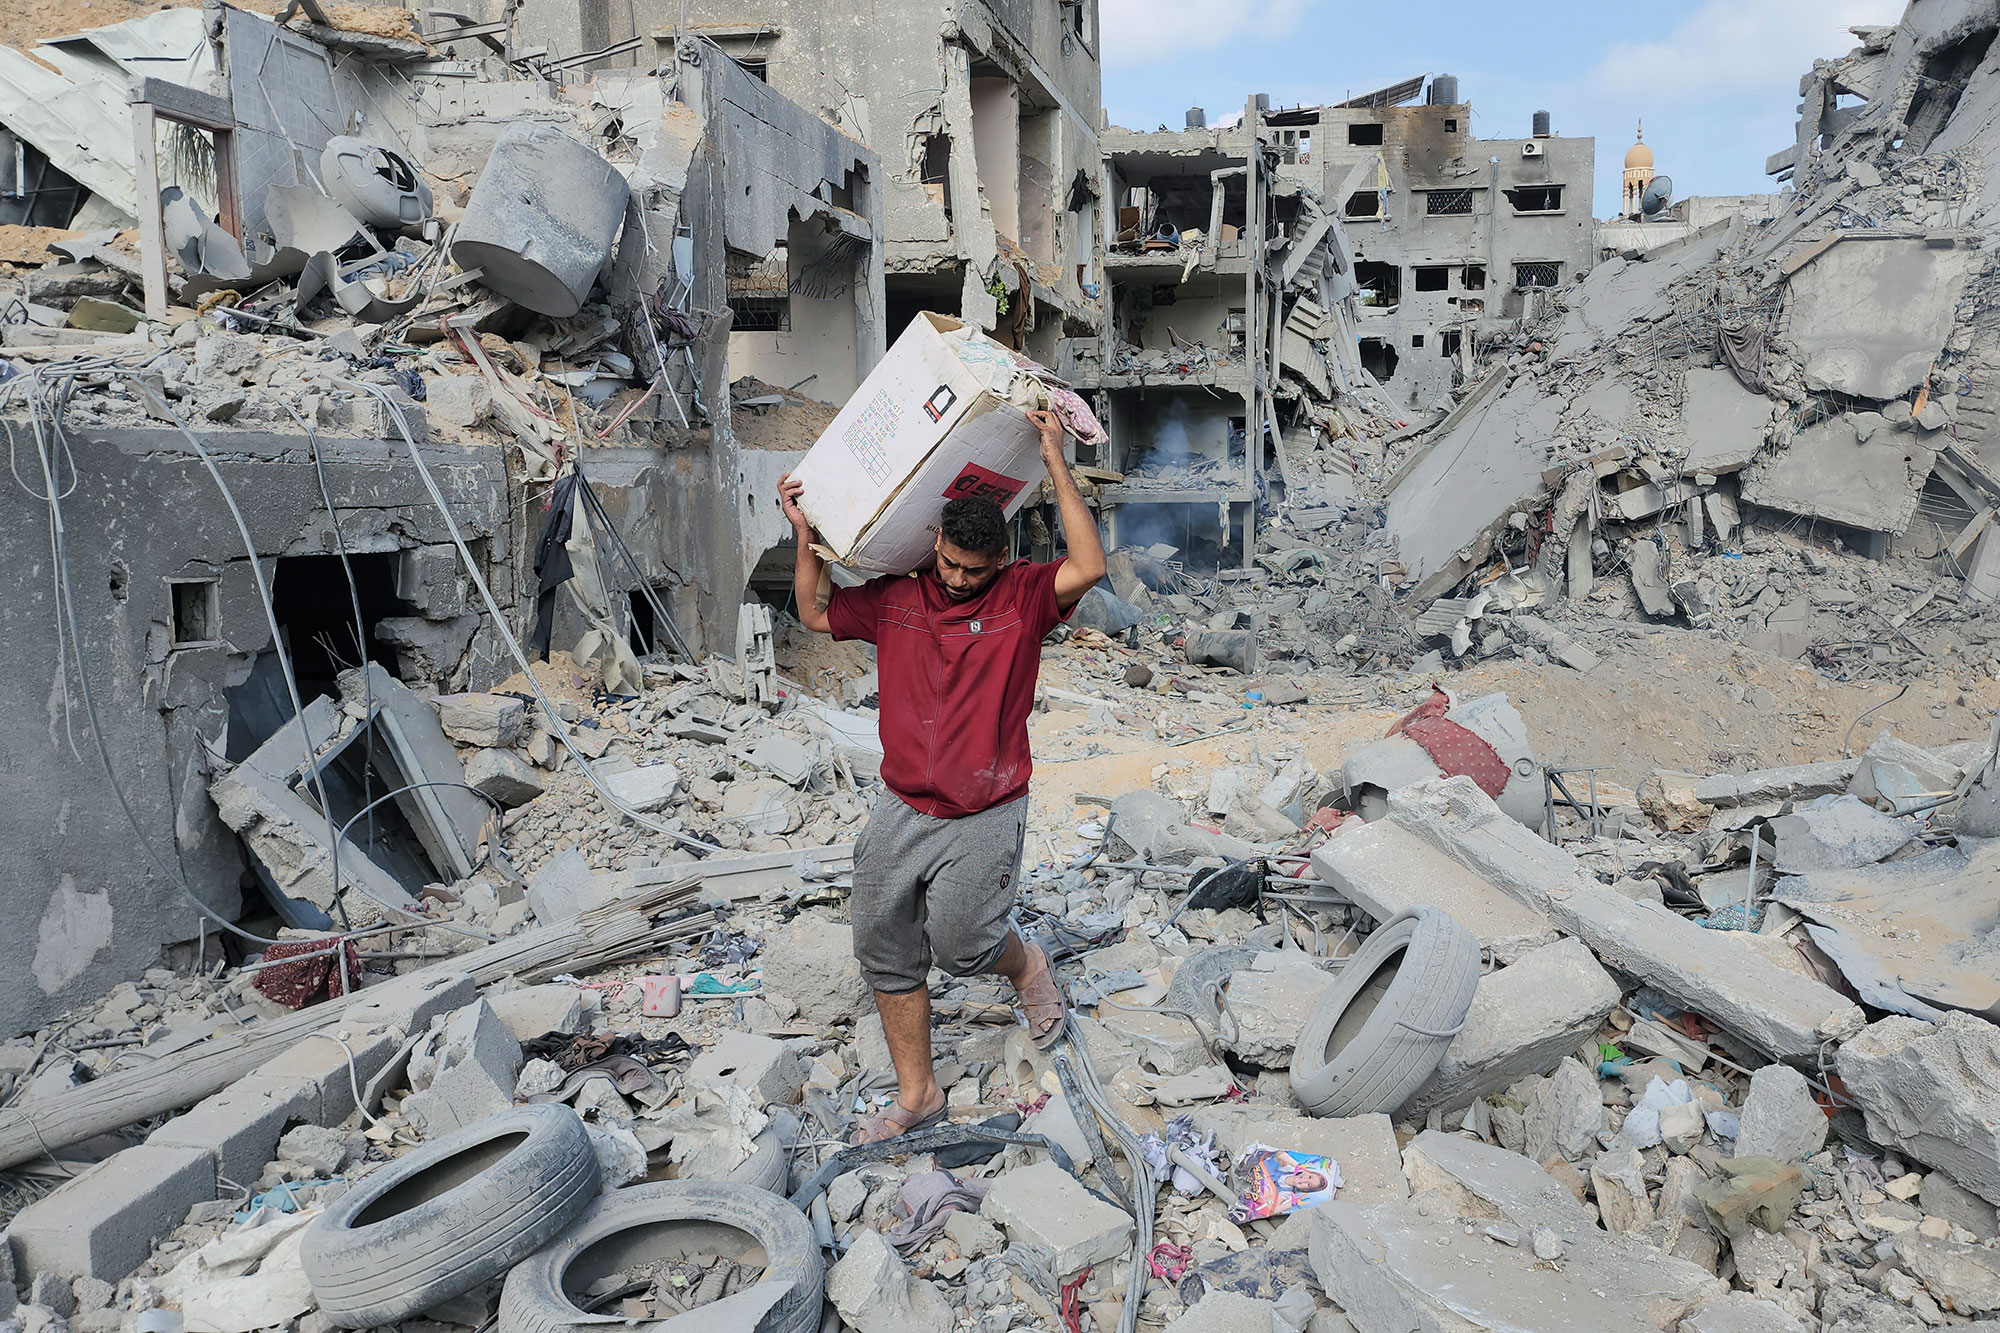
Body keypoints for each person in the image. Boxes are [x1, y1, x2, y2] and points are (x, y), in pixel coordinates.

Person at [777, 408, 1106, 1144]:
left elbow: (1089, 566)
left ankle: (1026, 965)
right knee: (881, 941)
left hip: (986, 806)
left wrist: (1055, 458)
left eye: (973, 570)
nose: (958, 579)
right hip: (902, 805)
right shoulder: (899, 596)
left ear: (1000, 560)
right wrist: (807, 535)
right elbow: (814, 610)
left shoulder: (1021, 598)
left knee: (964, 945)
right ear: (936, 545)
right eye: (951, 563)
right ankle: (919, 1093)